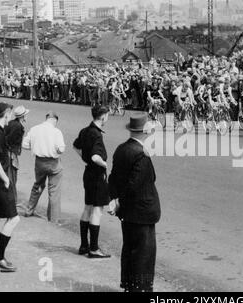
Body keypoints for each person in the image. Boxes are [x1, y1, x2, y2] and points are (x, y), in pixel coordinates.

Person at [108, 111, 161, 292]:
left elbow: (113, 178)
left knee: (129, 250)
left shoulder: (121, 149)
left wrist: (114, 200)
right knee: (144, 254)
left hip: (127, 213)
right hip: (142, 212)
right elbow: (135, 185)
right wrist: (121, 201)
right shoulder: (141, 154)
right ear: (145, 132)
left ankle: (130, 286)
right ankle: (141, 288)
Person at [73, 105, 111, 259]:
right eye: (107, 115)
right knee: (97, 210)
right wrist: (104, 164)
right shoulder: (96, 134)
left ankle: (84, 245)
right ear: (102, 117)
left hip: (88, 172)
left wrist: (84, 157)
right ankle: (94, 248)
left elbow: (76, 146)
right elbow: (96, 156)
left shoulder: (85, 130)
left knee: (87, 207)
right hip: (97, 174)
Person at [22, 111, 65, 222]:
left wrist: (35, 146)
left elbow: (25, 144)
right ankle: (53, 219)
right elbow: (61, 149)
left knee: (38, 185)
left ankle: (29, 209)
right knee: (54, 190)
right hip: (53, 162)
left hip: (39, 162)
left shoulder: (35, 129)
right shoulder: (56, 131)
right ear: (55, 120)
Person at [0, 102, 20, 272]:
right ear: (6, 114)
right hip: (0, 181)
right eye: (10, 114)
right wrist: (5, 179)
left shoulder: (0, 130)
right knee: (13, 218)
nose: (11, 117)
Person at [5, 105, 29, 205]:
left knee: (9, 177)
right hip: (10, 154)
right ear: (22, 116)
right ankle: (12, 201)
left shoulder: (11, 123)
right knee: (12, 178)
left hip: (8, 153)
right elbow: (9, 140)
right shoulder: (18, 127)